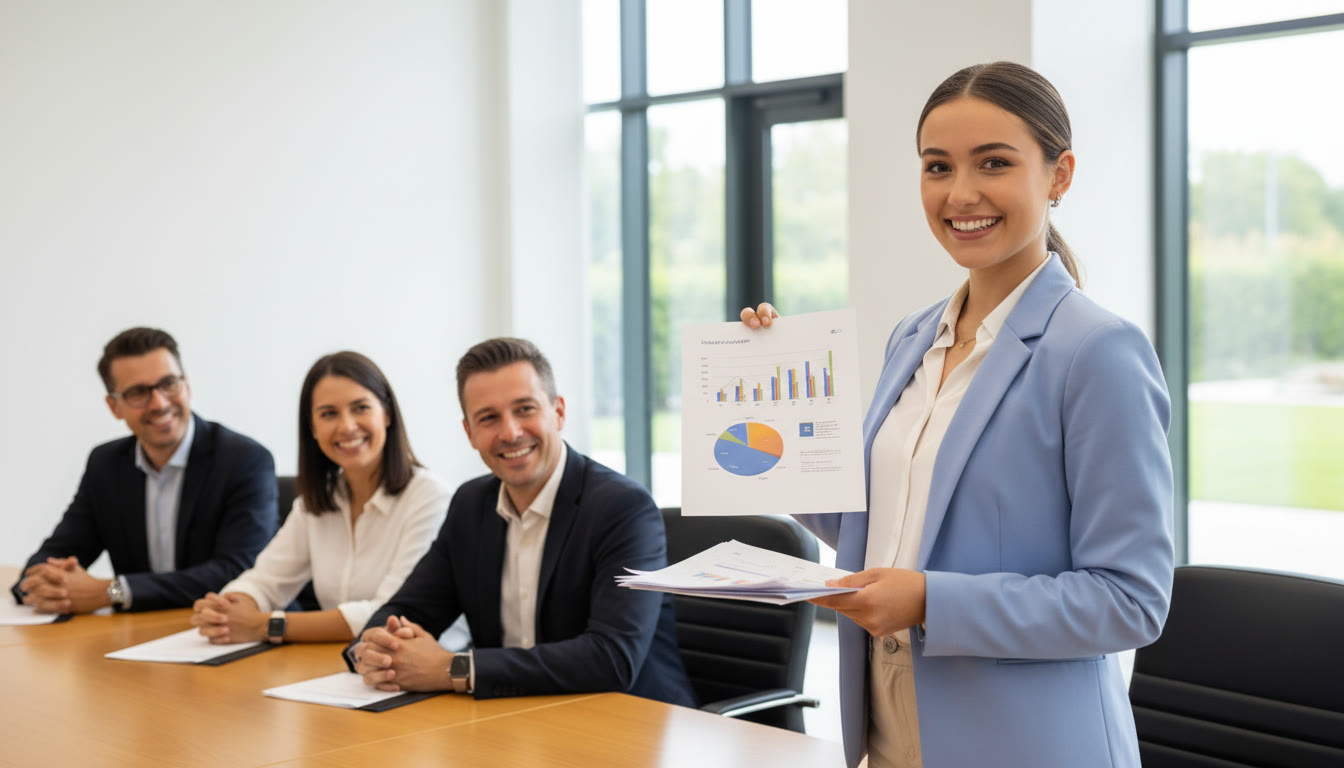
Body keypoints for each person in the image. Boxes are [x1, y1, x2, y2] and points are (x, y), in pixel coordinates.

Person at [741, 62, 1174, 768]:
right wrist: (772, 399)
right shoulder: (913, 338)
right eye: (937, 167)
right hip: (890, 719)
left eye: (994, 164)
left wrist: (930, 603)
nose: (960, 193)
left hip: (1025, 743)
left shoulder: (1098, 352)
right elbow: (872, 519)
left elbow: (1129, 601)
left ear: (1059, 175)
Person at [345, 337, 694, 706]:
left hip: (632, 724)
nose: (510, 433)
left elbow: (612, 658)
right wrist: (376, 650)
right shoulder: (471, 505)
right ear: (470, 433)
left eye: (525, 409)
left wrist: (455, 668)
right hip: (515, 719)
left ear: (558, 412)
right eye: (489, 418)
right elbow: (409, 609)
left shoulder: (623, 508)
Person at [190, 352, 452, 644]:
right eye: (329, 414)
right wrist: (227, 610)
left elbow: (389, 613)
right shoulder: (318, 500)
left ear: (387, 413)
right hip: (341, 666)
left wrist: (265, 625)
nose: (347, 426)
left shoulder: (431, 499)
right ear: (312, 428)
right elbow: (265, 580)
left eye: (360, 408)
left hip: (419, 669)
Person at [12, 327, 277, 614]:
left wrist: (112, 591)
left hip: (230, 633)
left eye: (168, 384)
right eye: (139, 393)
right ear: (115, 406)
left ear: (187, 384)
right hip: (138, 636)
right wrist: (44, 583)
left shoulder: (244, 460)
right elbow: (55, 553)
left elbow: (238, 572)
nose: (160, 403)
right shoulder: (106, 464)